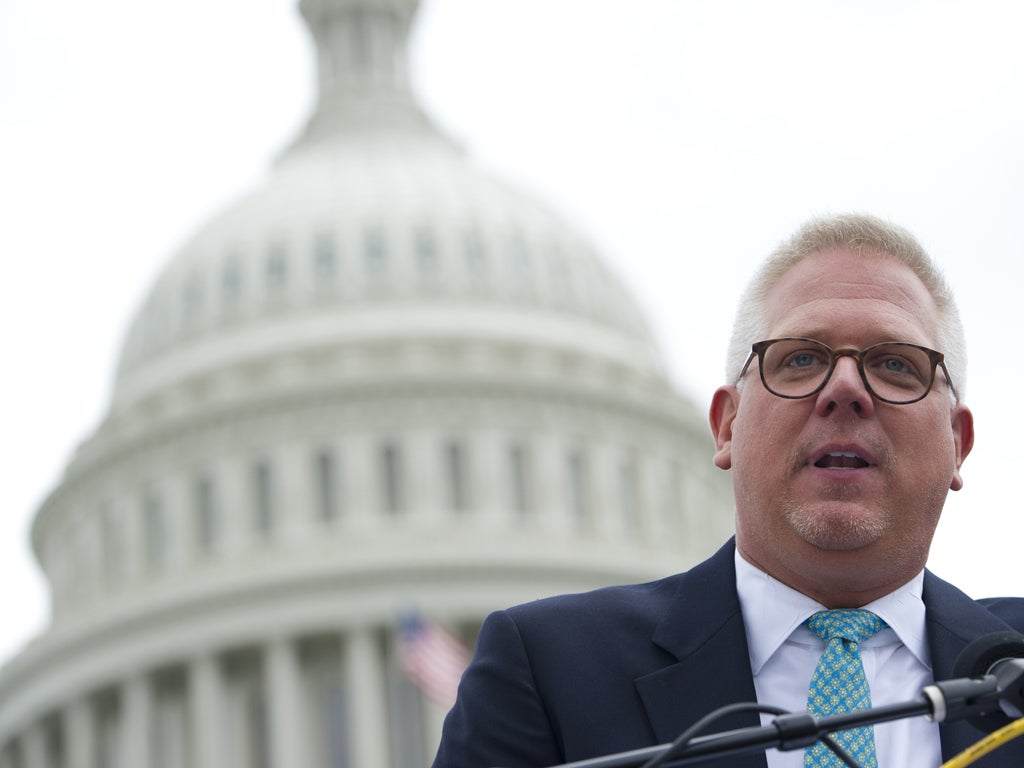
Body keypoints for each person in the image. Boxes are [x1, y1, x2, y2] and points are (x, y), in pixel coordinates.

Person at [432, 213, 1024, 768]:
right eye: (801, 358)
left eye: (896, 365)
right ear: (727, 426)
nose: (845, 389)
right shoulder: (548, 672)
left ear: (957, 442)